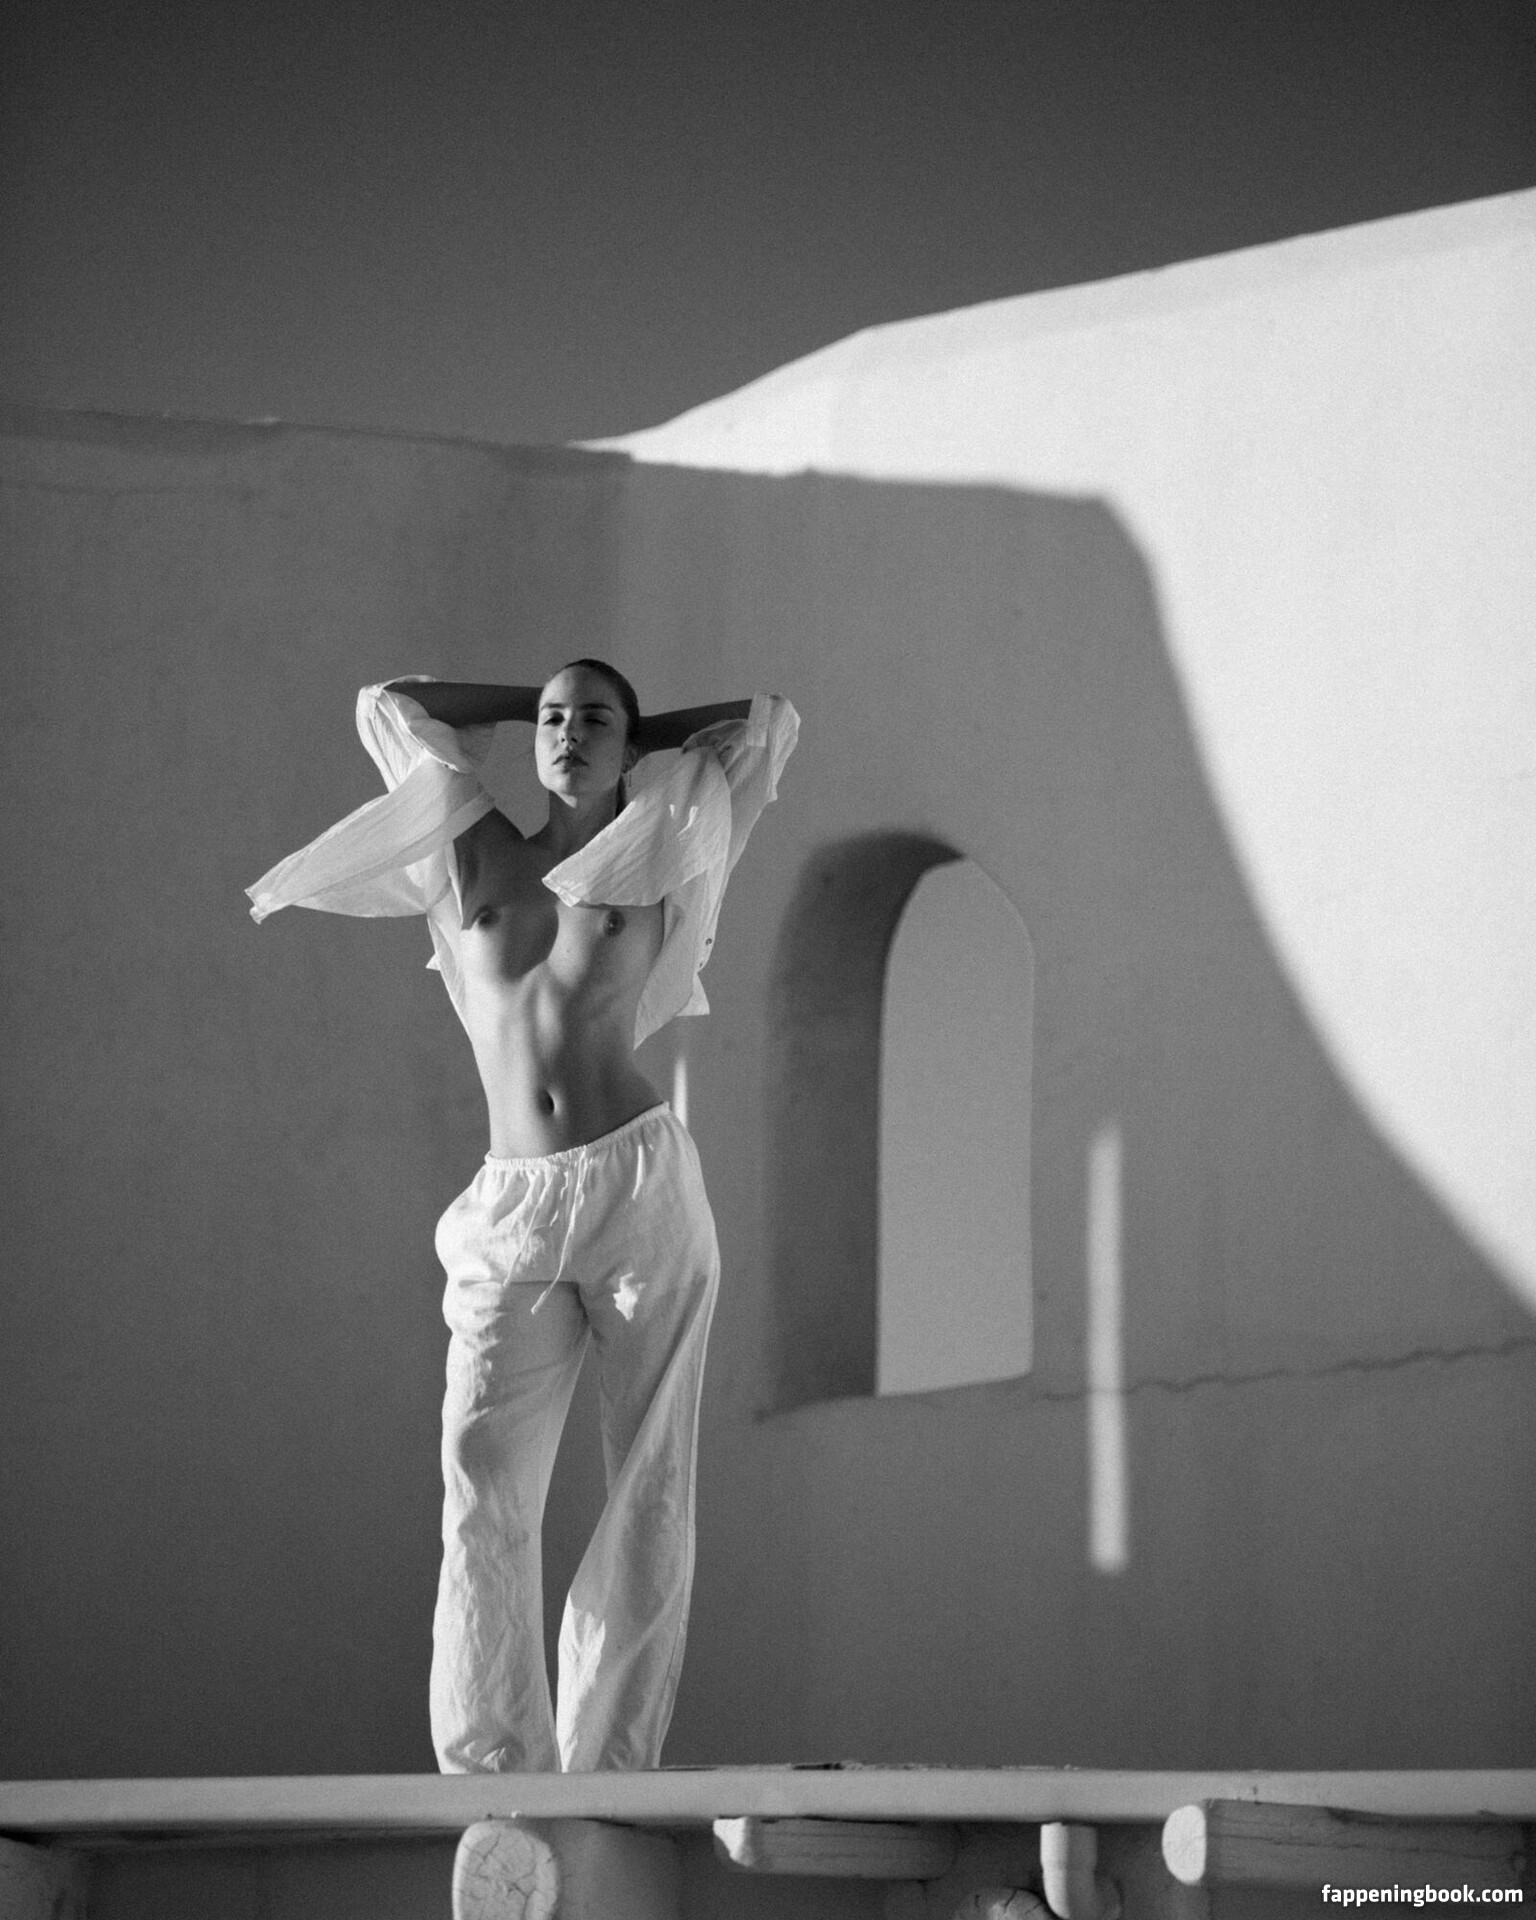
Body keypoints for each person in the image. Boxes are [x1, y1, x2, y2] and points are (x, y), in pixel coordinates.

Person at [247, 661, 798, 1772]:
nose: (566, 732)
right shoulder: (472, 842)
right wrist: (531, 701)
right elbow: (388, 706)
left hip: (639, 1186)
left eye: (593, 719)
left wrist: (638, 731)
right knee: (480, 1475)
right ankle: (496, 1767)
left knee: (649, 1481)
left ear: (629, 741)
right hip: (512, 1206)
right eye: (552, 718)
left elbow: (765, 724)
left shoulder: (666, 838)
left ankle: (609, 1770)